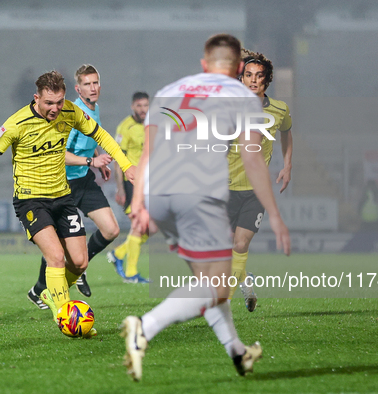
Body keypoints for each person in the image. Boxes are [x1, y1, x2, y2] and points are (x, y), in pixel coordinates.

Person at [121, 34, 291, 381]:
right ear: (239, 70)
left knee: (207, 281)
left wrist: (138, 203)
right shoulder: (243, 98)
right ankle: (144, 327)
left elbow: (147, 153)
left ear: (203, 64)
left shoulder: (170, 90)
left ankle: (238, 352)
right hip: (197, 194)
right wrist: (274, 213)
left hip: (158, 193)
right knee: (217, 285)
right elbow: (253, 158)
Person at [0, 71, 135, 338]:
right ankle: (65, 316)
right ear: (36, 97)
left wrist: (126, 164)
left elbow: (102, 136)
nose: (55, 109)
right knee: (56, 257)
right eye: (49, 103)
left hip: (63, 197)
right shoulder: (17, 123)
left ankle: (53, 291)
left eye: (60, 102)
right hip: (31, 200)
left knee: (80, 262)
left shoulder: (71, 112)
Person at [27, 64, 121, 306]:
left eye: (95, 83)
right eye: (87, 84)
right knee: (56, 244)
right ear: (78, 89)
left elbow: (90, 135)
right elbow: (58, 153)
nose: (93, 88)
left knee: (111, 230)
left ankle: (80, 268)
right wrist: (92, 160)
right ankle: (39, 290)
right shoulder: (69, 113)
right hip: (63, 182)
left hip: (84, 180)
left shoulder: (95, 109)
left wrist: (98, 158)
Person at [226, 49, 293, 312]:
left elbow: (287, 132)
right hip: (226, 187)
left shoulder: (279, 109)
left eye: (259, 76)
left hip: (256, 191)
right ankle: (246, 283)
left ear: (267, 80)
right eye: (248, 75)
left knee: (240, 244)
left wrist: (287, 165)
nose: (253, 80)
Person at [107, 92, 150, 283]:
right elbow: (117, 160)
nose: (143, 109)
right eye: (139, 106)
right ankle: (131, 273)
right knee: (138, 226)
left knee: (149, 228)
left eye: (146, 105)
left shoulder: (151, 125)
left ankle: (118, 253)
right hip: (131, 182)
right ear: (133, 106)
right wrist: (121, 189)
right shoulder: (126, 127)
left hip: (148, 182)